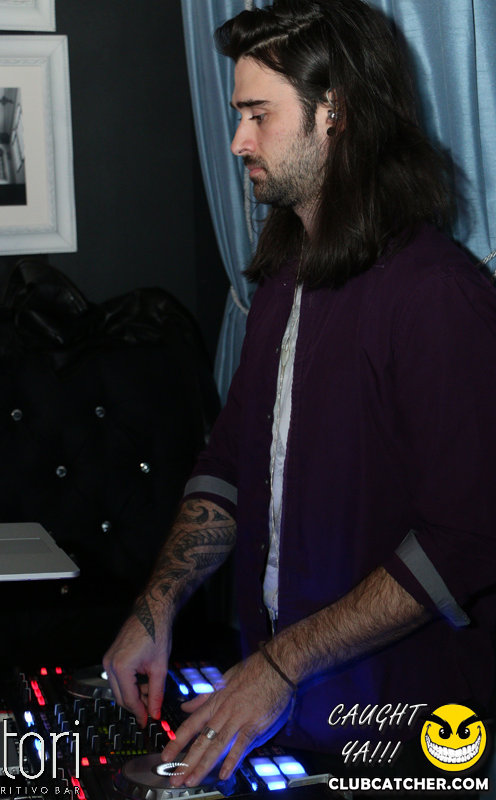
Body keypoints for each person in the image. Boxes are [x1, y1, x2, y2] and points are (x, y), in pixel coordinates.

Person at [104, 0, 496, 789]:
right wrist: (156, 609)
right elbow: (228, 467)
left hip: (415, 732)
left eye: (258, 114)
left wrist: (281, 664)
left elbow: (465, 538)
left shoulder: (437, 295)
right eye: (237, 113)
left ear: (334, 113)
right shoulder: (285, 279)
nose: (238, 140)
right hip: (291, 716)